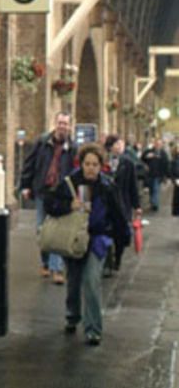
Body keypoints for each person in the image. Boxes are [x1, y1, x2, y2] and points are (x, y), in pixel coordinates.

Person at [44, 142, 131, 346]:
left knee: (91, 282)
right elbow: (50, 205)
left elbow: (118, 216)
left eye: (95, 164)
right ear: (81, 164)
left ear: (101, 166)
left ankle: (93, 330)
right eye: (87, 164)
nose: (91, 168)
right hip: (74, 239)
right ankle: (72, 316)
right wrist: (68, 205)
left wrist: (121, 244)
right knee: (73, 282)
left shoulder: (108, 186)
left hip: (97, 240)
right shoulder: (70, 183)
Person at [19, 111, 76, 285]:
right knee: (42, 230)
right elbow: (30, 164)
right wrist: (25, 185)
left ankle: (56, 269)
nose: (62, 126)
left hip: (61, 195)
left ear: (69, 126)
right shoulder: (42, 142)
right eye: (60, 123)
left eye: (65, 124)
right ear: (55, 123)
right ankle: (45, 262)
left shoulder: (73, 148)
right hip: (43, 191)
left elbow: (75, 172)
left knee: (57, 232)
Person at [103, 134, 142, 271]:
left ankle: (117, 257)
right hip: (106, 203)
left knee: (120, 233)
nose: (120, 147)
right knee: (106, 232)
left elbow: (133, 186)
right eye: (117, 144)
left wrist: (137, 206)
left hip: (122, 203)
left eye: (122, 144)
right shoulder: (103, 161)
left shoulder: (128, 163)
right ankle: (107, 262)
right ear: (110, 146)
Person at [141, 137, 170, 211]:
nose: (158, 145)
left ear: (161, 145)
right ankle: (152, 203)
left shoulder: (163, 153)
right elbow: (142, 159)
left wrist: (165, 175)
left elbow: (166, 164)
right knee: (151, 189)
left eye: (159, 144)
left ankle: (155, 204)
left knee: (155, 189)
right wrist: (147, 158)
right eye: (157, 144)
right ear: (154, 144)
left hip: (158, 174)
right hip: (149, 174)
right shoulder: (149, 151)